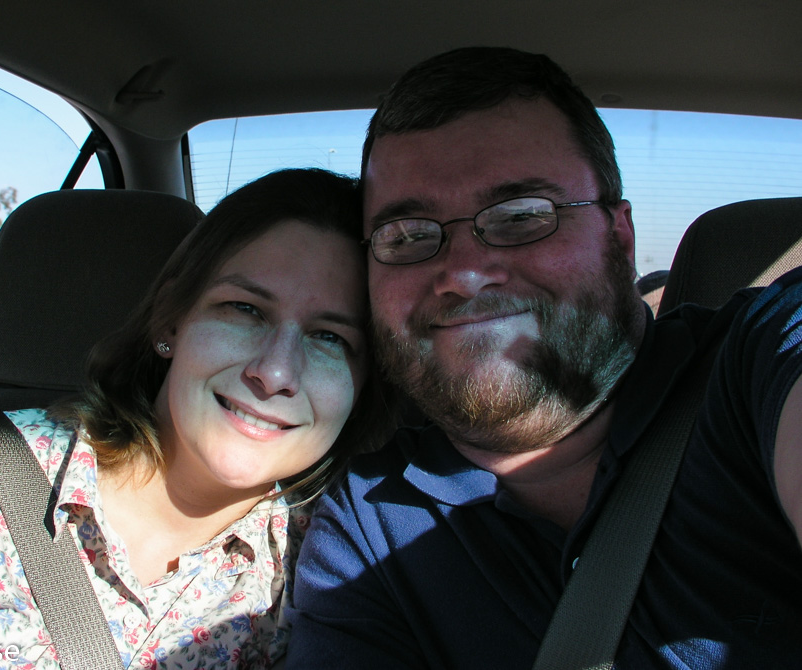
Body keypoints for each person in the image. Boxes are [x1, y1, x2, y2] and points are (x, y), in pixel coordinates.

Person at [285, 47, 802, 668]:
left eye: (523, 217)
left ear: (620, 236)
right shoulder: (362, 526)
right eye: (409, 235)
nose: (466, 274)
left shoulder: (758, 358)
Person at [0, 168, 392, 669]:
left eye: (330, 338)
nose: (274, 373)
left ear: (362, 388)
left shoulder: (341, 568)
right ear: (171, 322)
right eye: (244, 309)